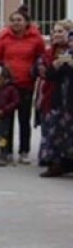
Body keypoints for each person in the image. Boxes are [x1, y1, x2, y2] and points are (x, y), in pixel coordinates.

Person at [0, 6, 46, 164]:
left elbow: (41, 57)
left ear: (26, 22)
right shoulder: (4, 37)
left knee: (24, 119)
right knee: (7, 118)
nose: (16, 23)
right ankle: (7, 150)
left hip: (26, 84)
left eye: (19, 20)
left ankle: (24, 151)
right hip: (8, 84)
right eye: (13, 20)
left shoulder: (36, 38)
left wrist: (34, 70)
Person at [37, 20, 73, 177]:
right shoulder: (54, 53)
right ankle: (56, 164)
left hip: (69, 98)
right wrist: (58, 63)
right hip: (57, 98)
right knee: (55, 131)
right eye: (55, 31)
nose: (58, 34)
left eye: (62, 31)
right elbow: (48, 74)